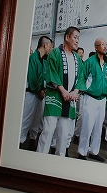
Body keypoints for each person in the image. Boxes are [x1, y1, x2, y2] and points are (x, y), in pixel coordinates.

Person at [36, 26, 85, 157]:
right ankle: (39, 160)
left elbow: (81, 77)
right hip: (55, 97)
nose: (77, 41)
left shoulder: (77, 58)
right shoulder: (55, 53)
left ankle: (60, 160)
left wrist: (76, 92)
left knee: (64, 135)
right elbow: (51, 73)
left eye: (78, 39)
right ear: (67, 37)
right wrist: (63, 91)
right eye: (75, 37)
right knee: (48, 130)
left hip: (69, 100)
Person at [77, 38, 107, 162]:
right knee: (87, 126)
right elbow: (82, 78)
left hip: (102, 99)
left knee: (98, 127)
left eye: (106, 44)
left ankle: (94, 151)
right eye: (102, 44)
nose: (105, 46)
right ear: (96, 47)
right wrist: (82, 91)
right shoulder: (89, 62)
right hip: (90, 98)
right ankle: (82, 151)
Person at [20, 36, 53, 151]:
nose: (51, 49)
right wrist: (39, 90)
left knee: (37, 119)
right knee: (26, 118)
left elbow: (44, 77)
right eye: (50, 46)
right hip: (32, 93)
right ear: (44, 45)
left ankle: (32, 141)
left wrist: (43, 90)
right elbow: (33, 77)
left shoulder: (43, 60)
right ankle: (20, 141)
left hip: (40, 93)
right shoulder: (33, 58)